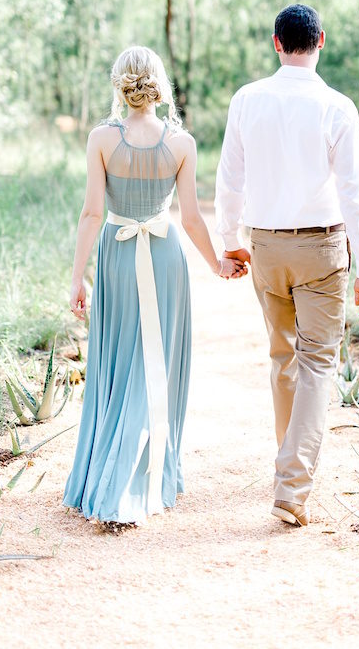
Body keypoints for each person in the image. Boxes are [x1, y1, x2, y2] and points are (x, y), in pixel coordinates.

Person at [64, 46, 245, 526]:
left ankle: (113, 476)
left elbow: (91, 214)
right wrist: (217, 264)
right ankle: (145, 475)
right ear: (159, 84)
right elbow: (189, 218)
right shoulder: (181, 143)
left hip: (118, 256)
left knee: (121, 360)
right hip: (165, 258)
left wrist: (77, 277)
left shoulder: (101, 138)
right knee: (157, 364)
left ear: (120, 84)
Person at [215, 4, 359, 527]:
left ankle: (289, 464)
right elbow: (355, 193)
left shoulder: (248, 100)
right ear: (321, 41)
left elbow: (229, 178)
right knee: (317, 363)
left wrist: (229, 241)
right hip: (322, 250)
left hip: (265, 247)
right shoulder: (338, 106)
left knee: (282, 355)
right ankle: (292, 484)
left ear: (275, 43)